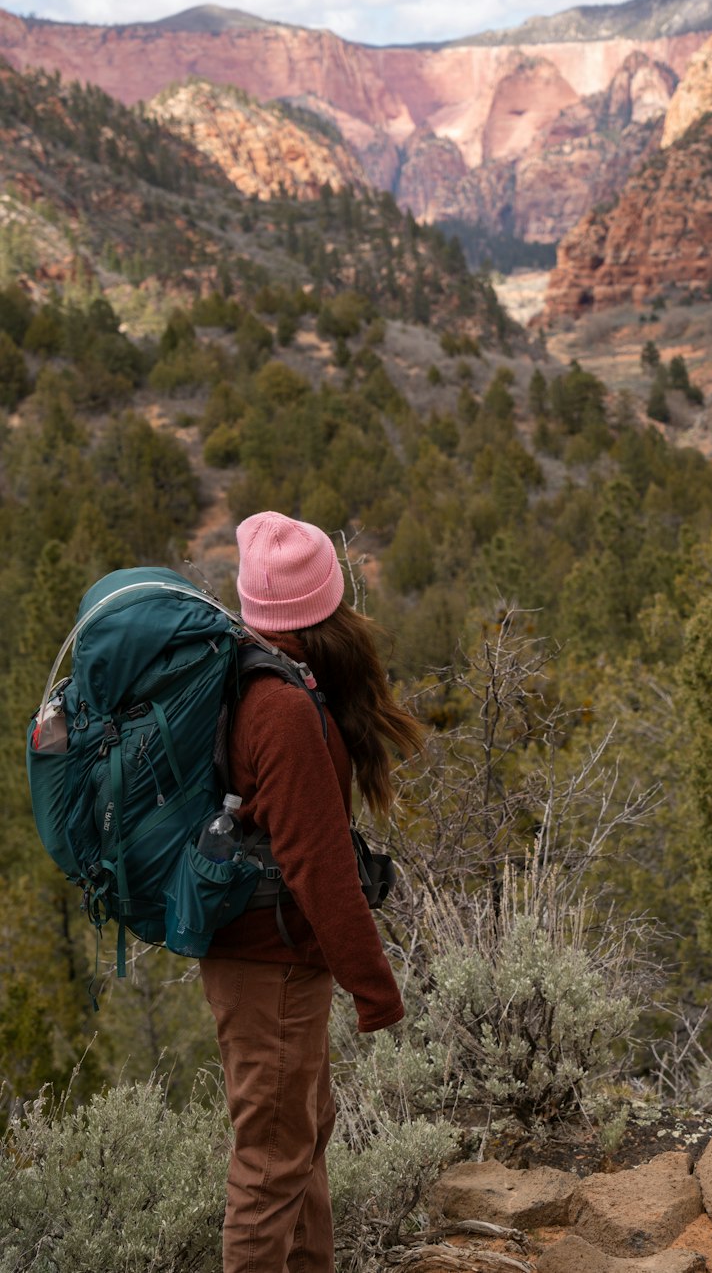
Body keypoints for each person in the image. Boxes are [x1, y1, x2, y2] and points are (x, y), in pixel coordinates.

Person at [199, 509, 423, 1273]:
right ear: (328, 597)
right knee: (269, 1163)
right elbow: (317, 865)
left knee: (302, 1134)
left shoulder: (260, 672)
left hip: (266, 961)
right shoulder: (285, 708)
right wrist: (376, 989)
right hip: (275, 967)